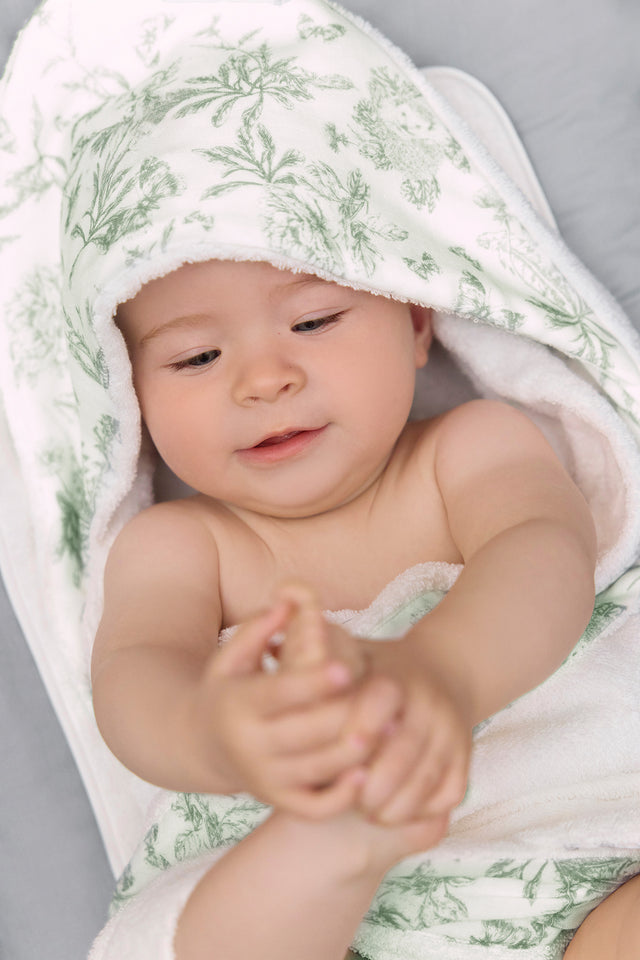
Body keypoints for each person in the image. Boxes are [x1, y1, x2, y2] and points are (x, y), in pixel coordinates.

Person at [90, 257, 599, 959]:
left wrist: (443, 668)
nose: (265, 380)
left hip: (565, 853)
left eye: (314, 321)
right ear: (131, 397)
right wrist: (211, 733)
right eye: (197, 356)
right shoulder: (180, 545)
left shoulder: (474, 448)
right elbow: (132, 679)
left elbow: (545, 557)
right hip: (317, 898)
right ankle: (341, 838)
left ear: (417, 323)